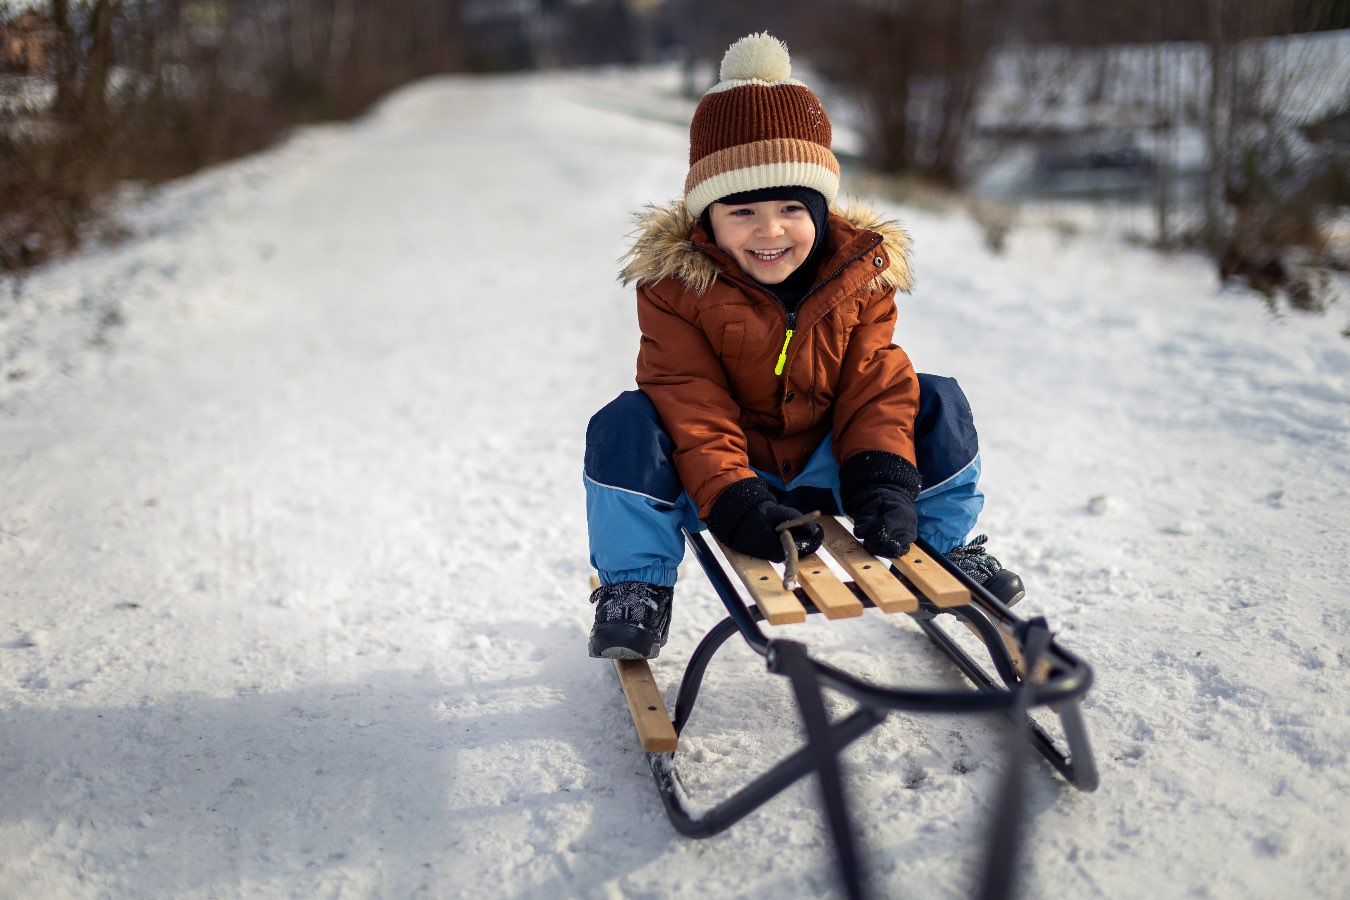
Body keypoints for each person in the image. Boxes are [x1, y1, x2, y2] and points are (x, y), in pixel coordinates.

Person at [583, 32, 1023, 660]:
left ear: (820, 210)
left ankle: (939, 543)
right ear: (708, 220)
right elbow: (690, 399)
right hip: (723, 477)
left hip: (830, 462)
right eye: (742, 212)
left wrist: (882, 481)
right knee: (627, 423)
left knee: (933, 399)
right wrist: (734, 498)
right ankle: (635, 587)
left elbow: (873, 381)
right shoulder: (676, 288)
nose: (770, 231)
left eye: (792, 206)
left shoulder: (858, 276)